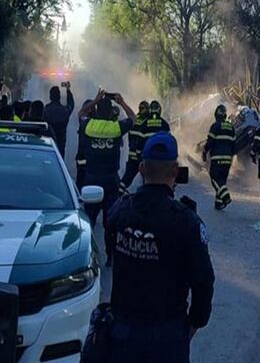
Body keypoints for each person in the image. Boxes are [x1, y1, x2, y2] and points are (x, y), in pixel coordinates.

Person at [104, 131, 214, 362]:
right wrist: (194, 324)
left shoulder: (121, 211)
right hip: (168, 336)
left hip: (122, 332)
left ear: (142, 169)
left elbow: (109, 235)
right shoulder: (186, 221)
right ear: (175, 172)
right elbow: (203, 282)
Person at [79, 90, 136, 262]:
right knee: (110, 221)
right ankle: (110, 255)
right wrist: (122, 102)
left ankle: (86, 255)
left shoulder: (89, 125)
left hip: (91, 180)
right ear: (111, 112)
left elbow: (80, 113)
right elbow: (133, 118)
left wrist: (95, 100)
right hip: (111, 181)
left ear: (96, 111)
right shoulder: (116, 128)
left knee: (88, 220)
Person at [122, 101, 169, 193]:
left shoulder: (138, 121)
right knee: (152, 181)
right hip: (156, 159)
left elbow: (138, 141)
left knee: (126, 180)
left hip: (136, 156)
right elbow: (168, 143)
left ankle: (118, 194)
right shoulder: (164, 124)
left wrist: (139, 154)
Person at [202, 104, 235, 211]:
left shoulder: (215, 126)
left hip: (217, 157)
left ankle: (226, 197)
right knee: (222, 181)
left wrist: (205, 151)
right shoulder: (231, 127)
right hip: (228, 159)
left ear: (216, 114)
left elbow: (210, 142)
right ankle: (218, 203)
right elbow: (234, 144)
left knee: (214, 178)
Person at [119, 101, 149, 192]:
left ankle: (118, 194)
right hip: (141, 156)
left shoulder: (134, 119)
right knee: (147, 180)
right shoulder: (146, 122)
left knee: (126, 179)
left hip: (132, 155)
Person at [43, 84, 75, 159]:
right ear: (59, 97)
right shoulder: (64, 111)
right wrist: (68, 90)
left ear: (50, 97)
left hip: (47, 144)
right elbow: (71, 104)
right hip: (60, 146)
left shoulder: (45, 111)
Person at [74, 98, 94, 188]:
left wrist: (95, 101)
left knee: (80, 184)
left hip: (82, 160)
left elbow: (80, 113)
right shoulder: (96, 123)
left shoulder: (84, 121)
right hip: (91, 161)